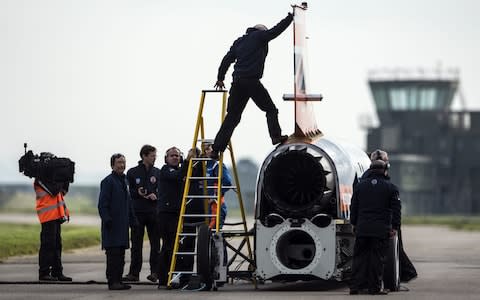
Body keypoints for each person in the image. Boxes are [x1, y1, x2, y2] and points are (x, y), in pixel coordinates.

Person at [210, 12, 294, 159]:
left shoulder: (239, 41)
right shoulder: (260, 37)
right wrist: (290, 18)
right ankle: (275, 136)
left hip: (237, 82)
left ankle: (216, 150)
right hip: (251, 81)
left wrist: (220, 78)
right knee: (271, 109)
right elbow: (276, 30)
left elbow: (227, 59)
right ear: (261, 31)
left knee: (232, 117)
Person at [349, 149, 401, 295]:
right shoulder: (391, 188)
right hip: (380, 230)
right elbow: (396, 210)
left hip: (363, 228)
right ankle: (375, 288)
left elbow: (354, 207)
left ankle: (355, 287)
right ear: (385, 169)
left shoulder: (360, 186)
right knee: (377, 260)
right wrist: (395, 227)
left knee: (359, 259)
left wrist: (354, 224)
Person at [156, 146, 195, 287]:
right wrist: (187, 162)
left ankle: (178, 277)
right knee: (168, 246)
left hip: (177, 213)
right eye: (172, 155)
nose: (175, 157)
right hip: (166, 214)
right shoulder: (166, 170)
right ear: (166, 158)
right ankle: (163, 279)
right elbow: (177, 177)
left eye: (177, 156)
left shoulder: (181, 170)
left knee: (178, 247)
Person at [98, 153, 137, 290]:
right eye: (119, 162)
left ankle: (119, 280)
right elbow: (102, 204)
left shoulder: (125, 181)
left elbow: (129, 203)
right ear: (113, 165)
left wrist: (133, 220)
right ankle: (112, 281)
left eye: (123, 162)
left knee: (121, 255)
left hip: (123, 225)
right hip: (112, 225)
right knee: (113, 255)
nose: (122, 165)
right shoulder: (108, 181)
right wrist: (107, 219)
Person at [123, 145, 161, 283]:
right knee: (136, 245)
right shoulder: (132, 172)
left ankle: (155, 272)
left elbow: (162, 190)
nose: (154, 157)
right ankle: (134, 274)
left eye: (155, 155)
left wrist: (155, 194)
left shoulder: (158, 172)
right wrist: (137, 193)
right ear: (144, 156)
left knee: (155, 244)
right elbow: (128, 191)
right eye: (152, 155)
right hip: (137, 212)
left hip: (153, 212)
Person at [34, 178, 72, 282]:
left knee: (57, 245)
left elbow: (62, 193)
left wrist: (66, 179)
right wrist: (61, 179)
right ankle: (44, 273)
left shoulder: (53, 181)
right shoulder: (41, 180)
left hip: (56, 215)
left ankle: (57, 272)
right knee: (48, 244)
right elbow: (54, 190)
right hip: (47, 216)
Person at [204, 142, 233, 229]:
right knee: (207, 235)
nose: (210, 151)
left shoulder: (217, 165)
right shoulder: (205, 165)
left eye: (211, 149)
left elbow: (227, 182)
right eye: (207, 149)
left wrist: (215, 196)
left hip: (216, 205)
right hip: (207, 206)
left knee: (213, 232)